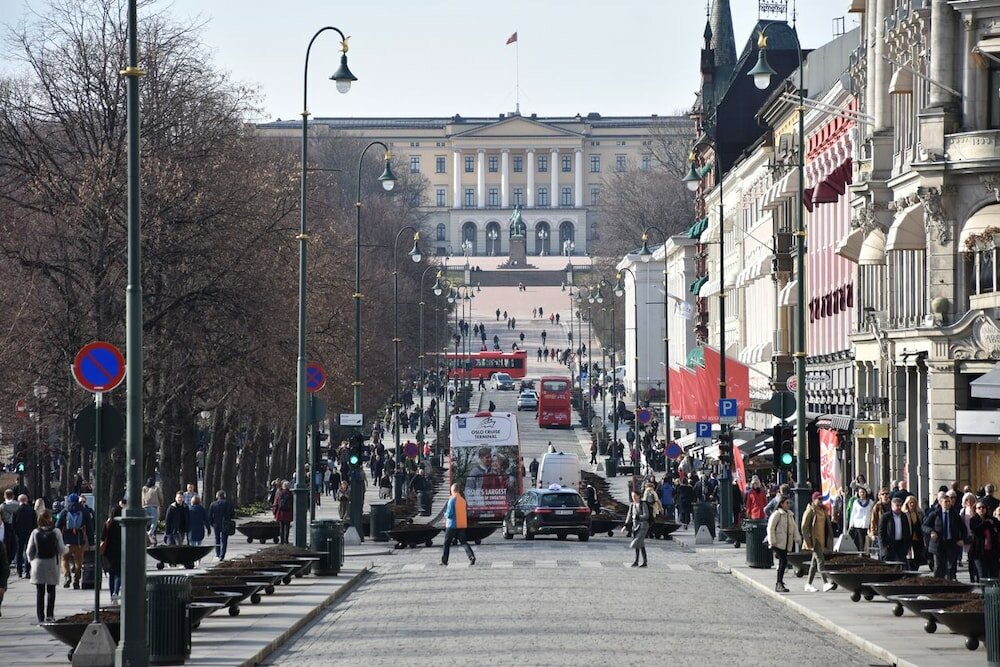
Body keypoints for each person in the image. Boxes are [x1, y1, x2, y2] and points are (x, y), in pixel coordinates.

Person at [27, 510, 67, 623]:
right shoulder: (56, 532)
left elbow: (29, 550)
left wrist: (32, 562)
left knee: (40, 592)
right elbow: (61, 549)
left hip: (38, 564)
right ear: (50, 518)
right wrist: (67, 548)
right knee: (51, 591)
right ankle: (50, 614)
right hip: (52, 564)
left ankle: (40, 616)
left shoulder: (35, 532)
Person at [923, 492, 967, 580]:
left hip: (951, 543)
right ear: (940, 502)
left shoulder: (954, 514)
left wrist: (962, 539)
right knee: (938, 566)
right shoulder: (935, 514)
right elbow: (924, 525)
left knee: (950, 567)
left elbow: (963, 528)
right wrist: (931, 531)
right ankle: (938, 585)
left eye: (948, 501)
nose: (947, 503)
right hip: (938, 544)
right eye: (945, 501)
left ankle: (950, 583)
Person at [801, 491, 836, 593]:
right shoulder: (810, 511)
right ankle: (825, 583)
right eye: (818, 499)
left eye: (821, 499)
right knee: (820, 561)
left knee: (814, 563)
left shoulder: (824, 510)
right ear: (813, 499)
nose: (820, 501)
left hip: (822, 540)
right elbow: (804, 527)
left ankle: (808, 584)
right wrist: (808, 542)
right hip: (814, 540)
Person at [767, 495, 801, 593]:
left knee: (783, 562)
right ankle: (779, 583)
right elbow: (771, 528)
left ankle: (779, 583)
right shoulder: (777, 514)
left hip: (786, 542)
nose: (789, 505)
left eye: (789, 503)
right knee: (783, 561)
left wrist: (797, 538)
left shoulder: (790, 515)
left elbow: (794, 528)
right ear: (781, 503)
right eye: (787, 503)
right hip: (778, 542)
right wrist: (772, 541)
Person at [56, 493, 88, 589]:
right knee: (78, 561)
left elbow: (58, 525)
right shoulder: (84, 511)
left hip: (66, 540)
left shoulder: (64, 511)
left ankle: (67, 576)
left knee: (64, 559)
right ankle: (76, 580)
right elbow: (90, 526)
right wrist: (90, 541)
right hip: (79, 540)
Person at [441, 484, 475, 566]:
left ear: (452, 490)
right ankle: (471, 556)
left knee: (446, 543)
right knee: (464, 542)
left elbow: (449, 514)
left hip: (452, 525)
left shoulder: (452, 500)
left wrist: (444, 514)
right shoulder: (462, 500)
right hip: (461, 525)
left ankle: (444, 561)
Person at [970, 500, 1000, 580]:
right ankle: (984, 592)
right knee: (983, 574)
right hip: (979, 552)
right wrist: (986, 523)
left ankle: (993, 592)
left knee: (994, 574)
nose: (981, 509)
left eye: (983, 507)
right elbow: (976, 530)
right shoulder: (973, 520)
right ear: (975, 510)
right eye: (979, 508)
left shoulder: (993, 520)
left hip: (992, 551)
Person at [878, 496, 911, 564]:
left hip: (901, 544)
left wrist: (907, 546)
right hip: (889, 545)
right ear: (892, 506)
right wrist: (884, 546)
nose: (899, 507)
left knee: (902, 564)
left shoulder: (904, 516)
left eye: (900, 506)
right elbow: (881, 532)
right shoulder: (885, 517)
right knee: (890, 565)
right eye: (897, 506)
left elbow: (907, 531)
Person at [623, 491, 650, 567]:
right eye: (632, 496)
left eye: (635, 496)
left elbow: (646, 515)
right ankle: (639, 561)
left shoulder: (643, 504)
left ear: (639, 496)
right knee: (640, 544)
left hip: (643, 526)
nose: (633, 498)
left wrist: (638, 517)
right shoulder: (632, 505)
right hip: (635, 527)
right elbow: (629, 515)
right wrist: (625, 525)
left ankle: (642, 561)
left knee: (637, 541)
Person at [103, 502, 124, 602]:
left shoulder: (108, 524)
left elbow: (102, 537)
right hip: (120, 551)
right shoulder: (123, 524)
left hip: (109, 552)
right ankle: (116, 591)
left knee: (111, 574)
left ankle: (112, 594)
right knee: (119, 573)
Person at [13, 494, 37, 579]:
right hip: (29, 533)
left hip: (19, 534)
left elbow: (14, 524)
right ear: (26, 500)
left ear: (19, 501)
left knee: (19, 552)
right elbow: (35, 524)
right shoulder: (31, 511)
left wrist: (16, 533)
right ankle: (27, 570)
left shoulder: (16, 511)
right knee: (28, 551)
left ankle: (19, 570)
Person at [208, 490, 235, 561]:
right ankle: (222, 555)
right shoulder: (229, 503)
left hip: (216, 524)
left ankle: (217, 553)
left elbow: (210, 515)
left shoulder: (213, 504)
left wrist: (212, 523)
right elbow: (232, 514)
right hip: (226, 523)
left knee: (217, 539)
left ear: (217, 496)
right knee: (224, 540)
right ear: (224, 496)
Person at [846, 486, 873, 554]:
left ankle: (864, 553)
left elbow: (872, 513)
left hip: (866, 524)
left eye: (863, 492)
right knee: (859, 540)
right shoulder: (855, 502)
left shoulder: (870, 502)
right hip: (857, 524)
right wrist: (851, 524)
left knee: (865, 541)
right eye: (861, 492)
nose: (862, 494)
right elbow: (853, 513)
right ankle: (859, 552)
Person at [902, 495, 925, 571]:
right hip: (909, 537)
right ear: (907, 504)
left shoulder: (919, 513)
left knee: (918, 554)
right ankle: (911, 569)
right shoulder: (904, 514)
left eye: (914, 502)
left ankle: (916, 568)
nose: (912, 504)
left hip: (918, 537)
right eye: (910, 503)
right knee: (910, 555)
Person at [142, 477, 163, 546]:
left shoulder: (144, 489)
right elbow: (160, 497)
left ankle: (146, 536)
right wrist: (161, 504)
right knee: (154, 522)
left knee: (146, 522)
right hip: (154, 506)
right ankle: (150, 534)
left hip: (144, 506)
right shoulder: (156, 488)